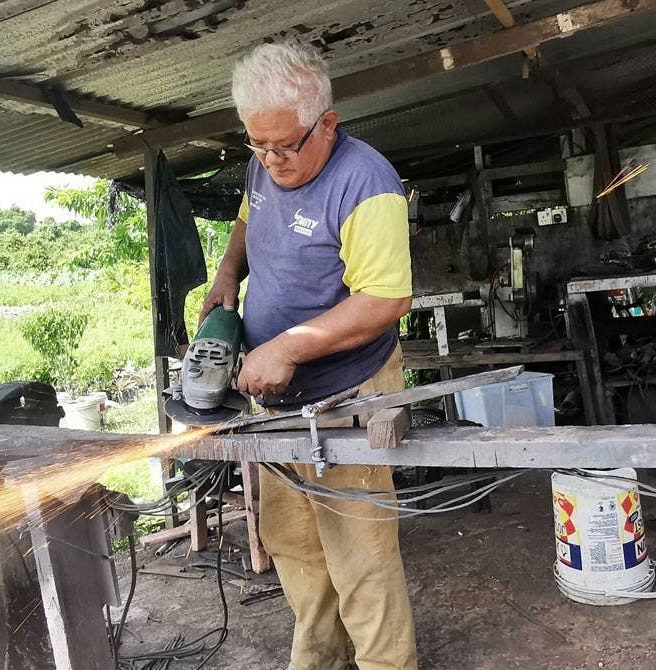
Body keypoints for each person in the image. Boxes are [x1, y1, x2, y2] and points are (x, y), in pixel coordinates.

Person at [199, 41, 418, 670]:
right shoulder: (265, 163)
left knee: (359, 551)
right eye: (256, 145)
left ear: (327, 123)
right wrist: (227, 272)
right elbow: (249, 218)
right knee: (292, 539)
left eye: (284, 146)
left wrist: (290, 345)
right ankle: (319, 659)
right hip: (275, 395)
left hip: (349, 385)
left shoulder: (365, 182)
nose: (270, 160)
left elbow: (384, 299)